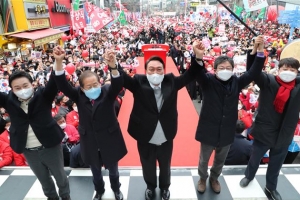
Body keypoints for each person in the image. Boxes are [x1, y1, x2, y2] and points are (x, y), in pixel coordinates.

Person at [119, 40, 205, 200]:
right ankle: (150, 187)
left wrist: (198, 57)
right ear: (146, 71)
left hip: (166, 134)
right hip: (145, 135)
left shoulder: (171, 81)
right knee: (147, 165)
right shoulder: (138, 82)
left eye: (159, 69)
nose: (155, 73)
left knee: (165, 166)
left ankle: (165, 188)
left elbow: (191, 74)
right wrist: (113, 66)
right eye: (151, 69)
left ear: (164, 71)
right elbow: (123, 79)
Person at [52, 46, 127, 200]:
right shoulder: (78, 96)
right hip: (90, 140)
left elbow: (118, 83)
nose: (93, 88)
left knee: (113, 170)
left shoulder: (107, 91)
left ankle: (116, 189)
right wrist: (59, 63)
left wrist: (113, 66)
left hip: (109, 138)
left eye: (96, 84)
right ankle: (99, 191)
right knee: (96, 171)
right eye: (89, 86)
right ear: (82, 87)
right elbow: (61, 84)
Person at [195, 36, 265, 194]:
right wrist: (198, 57)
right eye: (221, 67)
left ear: (232, 69)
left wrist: (258, 51)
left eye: (228, 67)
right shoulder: (207, 81)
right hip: (208, 129)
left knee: (220, 160)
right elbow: (198, 72)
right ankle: (202, 178)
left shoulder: (237, 82)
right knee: (204, 160)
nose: (225, 70)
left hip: (227, 129)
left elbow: (253, 72)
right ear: (215, 69)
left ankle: (214, 178)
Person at [239, 47, 300, 200]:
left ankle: (270, 188)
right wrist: (256, 52)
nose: (288, 71)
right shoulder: (268, 81)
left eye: (292, 69)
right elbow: (252, 71)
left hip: (284, 134)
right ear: (278, 69)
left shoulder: (298, 86)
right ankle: (249, 176)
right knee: (255, 157)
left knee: (276, 165)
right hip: (264, 131)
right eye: (285, 68)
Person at [0, 71, 71, 200]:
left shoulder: (43, 95)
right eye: (17, 88)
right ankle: (52, 197)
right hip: (29, 150)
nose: (22, 90)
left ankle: (65, 196)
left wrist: (58, 63)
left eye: (25, 86)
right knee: (43, 179)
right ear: (12, 89)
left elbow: (54, 82)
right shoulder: (8, 100)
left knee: (60, 176)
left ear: (32, 84)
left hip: (50, 147)